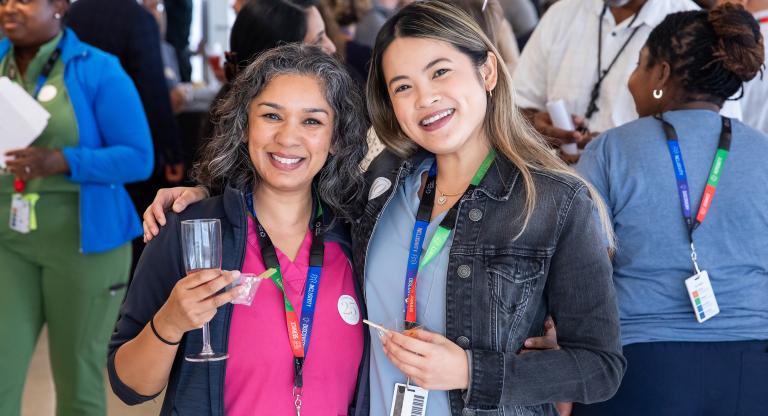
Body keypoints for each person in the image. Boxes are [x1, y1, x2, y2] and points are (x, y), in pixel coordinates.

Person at [143, 2, 625, 415]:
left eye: (440, 72)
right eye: (402, 86)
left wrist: (470, 370)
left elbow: (601, 368)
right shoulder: (383, 183)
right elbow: (293, 186)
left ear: (488, 71)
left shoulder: (557, 202)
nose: (425, 98)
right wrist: (205, 196)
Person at [108, 43, 369, 415]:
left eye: (311, 121)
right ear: (245, 124)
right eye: (271, 116)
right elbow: (129, 386)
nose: (288, 138)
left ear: (337, 137)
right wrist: (170, 322)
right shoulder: (189, 231)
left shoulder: (358, 239)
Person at [574, 4, 767, 415]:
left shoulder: (610, 151)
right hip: (753, 370)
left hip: (638, 368)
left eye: (639, 65)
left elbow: (583, 269)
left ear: (660, 75)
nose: (632, 80)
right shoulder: (765, 154)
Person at [0, 0, 154, 414]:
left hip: (85, 245)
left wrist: (64, 160)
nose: (9, 8)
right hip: (8, 242)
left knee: (76, 379)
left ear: (59, 7)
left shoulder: (98, 68)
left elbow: (139, 157)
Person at [513, 0, 728, 151]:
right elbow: (515, 107)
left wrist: (616, 151)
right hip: (559, 188)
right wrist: (536, 126)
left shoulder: (692, 29)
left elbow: (710, 137)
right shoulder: (561, 14)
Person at [67, 0, 185, 271]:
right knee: (138, 226)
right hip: (132, 142)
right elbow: (154, 91)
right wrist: (171, 151)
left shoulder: (70, 14)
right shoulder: (138, 18)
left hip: (82, 140)